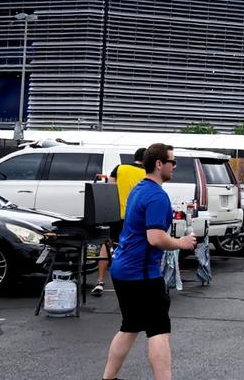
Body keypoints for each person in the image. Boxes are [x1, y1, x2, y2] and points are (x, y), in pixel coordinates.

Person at [102, 143, 196, 380]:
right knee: (159, 331)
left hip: (123, 268)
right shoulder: (156, 196)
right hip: (140, 274)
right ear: (159, 164)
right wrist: (182, 243)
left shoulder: (138, 189)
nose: (175, 166)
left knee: (130, 325)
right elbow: (155, 238)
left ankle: (108, 378)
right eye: (172, 162)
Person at [92, 147, 146, 296]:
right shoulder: (147, 174)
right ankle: (131, 283)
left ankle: (100, 281)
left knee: (106, 243)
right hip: (134, 217)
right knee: (132, 247)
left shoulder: (120, 168)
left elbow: (109, 187)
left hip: (115, 214)